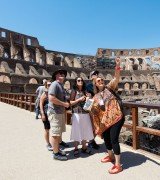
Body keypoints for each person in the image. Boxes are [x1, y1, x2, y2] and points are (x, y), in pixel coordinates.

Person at [91, 57, 124, 174]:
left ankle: (118, 164)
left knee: (114, 139)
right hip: (106, 120)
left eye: (102, 80)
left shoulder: (110, 88)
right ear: (95, 83)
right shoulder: (95, 97)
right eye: (98, 80)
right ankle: (110, 156)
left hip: (116, 117)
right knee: (107, 138)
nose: (101, 81)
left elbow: (116, 77)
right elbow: (95, 111)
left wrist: (118, 66)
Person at [48, 69, 70, 161]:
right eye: (60, 74)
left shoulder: (60, 85)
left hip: (59, 112)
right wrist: (64, 104)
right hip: (55, 112)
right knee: (55, 134)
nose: (63, 75)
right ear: (56, 76)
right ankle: (56, 153)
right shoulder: (54, 84)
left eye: (64, 74)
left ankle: (57, 150)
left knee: (58, 133)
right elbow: (51, 98)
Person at [70, 77, 94, 157]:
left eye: (81, 80)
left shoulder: (85, 91)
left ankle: (84, 147)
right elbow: (70, 103)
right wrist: (79, 100)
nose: (80, 82)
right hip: (77, 113)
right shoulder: (74, 91)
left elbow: (89, 105)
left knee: (85, 130)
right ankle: (76, 148)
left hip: (85, 113)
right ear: (76, 82)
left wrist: (89, 99)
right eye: (78, 80)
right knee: (77, 131)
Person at [86, 70, 100, 150]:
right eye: (94, 74)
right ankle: (91, 141)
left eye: (97, 74)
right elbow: (93, 94)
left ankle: (92, 141)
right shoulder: (88, 86)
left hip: (98, 107)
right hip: (91, 107)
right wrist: (94, 84)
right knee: (93, 125)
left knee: (96, 125)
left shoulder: (99, 84)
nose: (96, 75)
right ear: (91, 76)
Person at [39, 80, 52, 151]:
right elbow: (40, 104)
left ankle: (54, 143)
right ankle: (48, 143)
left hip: (52, 114)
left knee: (52, 129)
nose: (50, 86)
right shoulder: (44, 94)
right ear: (46, 86)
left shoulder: (52, 93)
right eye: (48, 85)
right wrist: (42, 114)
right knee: (47, 129)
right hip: (46, 114)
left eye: (51, 85)